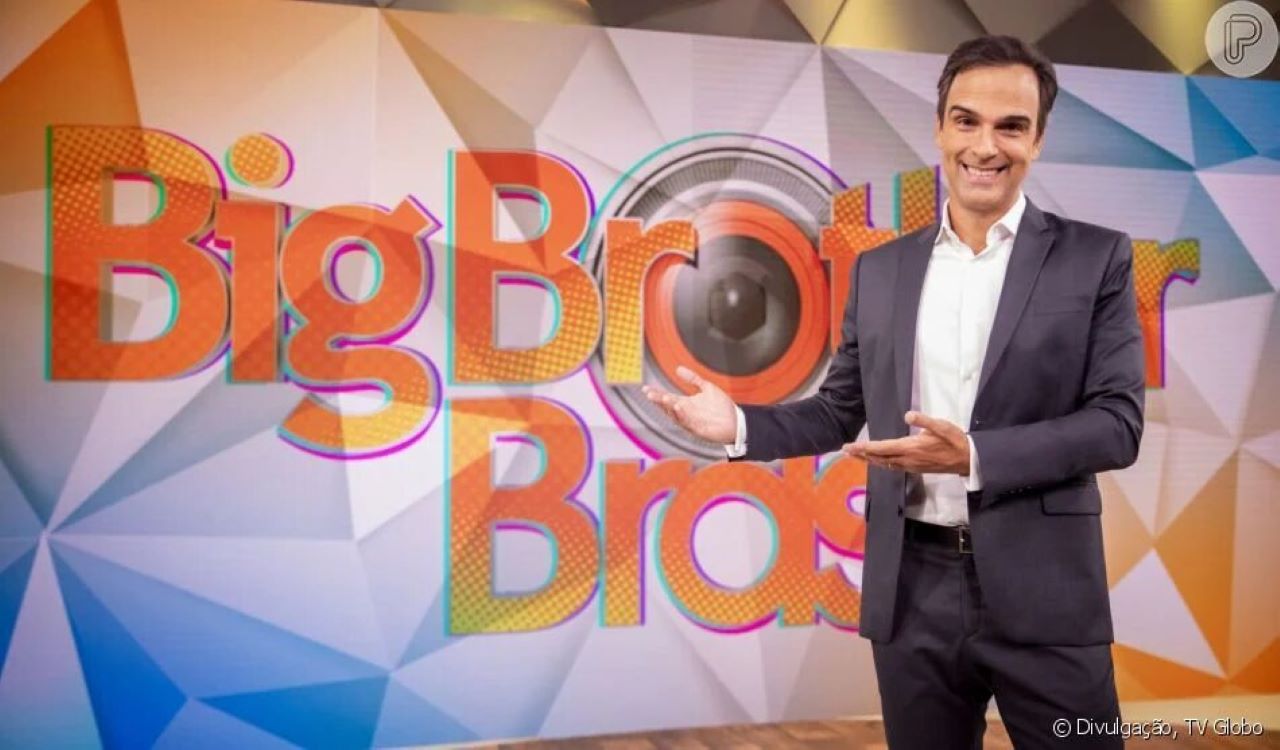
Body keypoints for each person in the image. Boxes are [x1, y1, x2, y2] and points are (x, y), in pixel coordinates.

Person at [642, 35, 1143, 749]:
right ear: (939, 128)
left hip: (1047, 591)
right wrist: (739, 426)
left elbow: (1117, 424)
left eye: (1011, 126)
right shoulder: (881, 271)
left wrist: (974, 456)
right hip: (913, 591)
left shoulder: (1096, 257)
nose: (986, 146)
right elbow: (840, 410)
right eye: (966, 121)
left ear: (1038, 139)